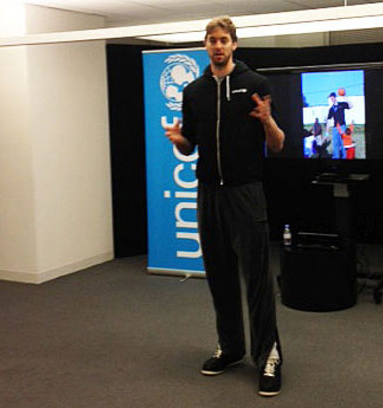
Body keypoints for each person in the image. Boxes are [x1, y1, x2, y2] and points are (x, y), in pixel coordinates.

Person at [164, 16, 285, 397]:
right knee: (219, 275)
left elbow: (278, 144)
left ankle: (268, 356)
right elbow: (191, 146)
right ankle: (230, 348)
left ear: (235, 45)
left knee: (257, 280)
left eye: (224, 40)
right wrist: (179, 140)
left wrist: (267, 121)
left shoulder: (256, 85)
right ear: (205, 45)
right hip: (208, 194)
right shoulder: (195, 91)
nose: (218, 46)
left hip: (245, 192)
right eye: (212, 40)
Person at [326, 91, 352, 159]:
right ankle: (336, 157)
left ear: (335, 97)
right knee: (335, 144)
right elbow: (328, 120)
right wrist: (326, 131)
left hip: (342, 126)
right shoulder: (331, 109)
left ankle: (344, 157)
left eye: (332, 98)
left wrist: (345, 98)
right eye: (330, 98)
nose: (331, 99)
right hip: (335, 128)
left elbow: (351, 106)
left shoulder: (342, 104)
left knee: (343, 143)